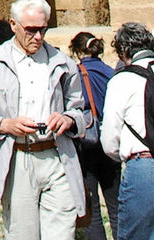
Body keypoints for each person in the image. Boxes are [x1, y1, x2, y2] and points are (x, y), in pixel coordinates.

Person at [0, 0, 87, 239]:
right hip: (18, 158)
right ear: (14, 25)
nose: (38, 37)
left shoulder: (63, 62)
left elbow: (81, 111)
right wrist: (5, 124)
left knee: (63, 235)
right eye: (31, 30)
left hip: (58, 156)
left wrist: (68, 119)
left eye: (43, 29)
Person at [101, 22, 154, 240]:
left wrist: (124, 156)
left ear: (123, 50)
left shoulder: (122, 80)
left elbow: (109, 140)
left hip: (144, 165)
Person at [69, 32, 119, 240]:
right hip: (109, 141)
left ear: (78, 51)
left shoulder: (77, 74)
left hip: (86, 143)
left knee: (92, 208)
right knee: (116, 206)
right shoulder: (110, 71)